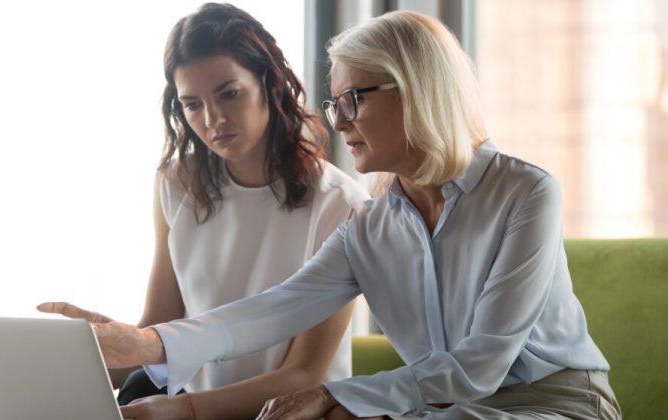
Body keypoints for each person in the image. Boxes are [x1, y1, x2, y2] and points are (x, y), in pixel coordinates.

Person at [40, 10, 622, 420]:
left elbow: (481, 364)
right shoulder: (370, 227)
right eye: (333, 102)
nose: (338, 121)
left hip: (552, 405)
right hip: (436, 411)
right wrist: (144, 344)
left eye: (353, 99)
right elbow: (269, 312)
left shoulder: (526, 193)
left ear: (416, 90)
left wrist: (342, 396)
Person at [39, 3, 369, 419]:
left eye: (229, 94)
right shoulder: (177, 185)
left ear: (269, 83)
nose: (214, 119)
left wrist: (186, 411)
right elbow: (159, 326)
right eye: (192, 104)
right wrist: (77, 364)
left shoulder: (341, 203)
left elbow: (305, 374)